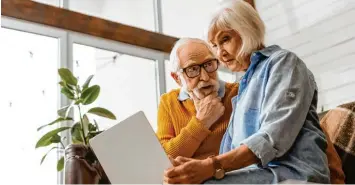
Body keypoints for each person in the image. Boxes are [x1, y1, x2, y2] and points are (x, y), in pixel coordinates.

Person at [163, 0, 344, 184]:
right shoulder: (244, 87)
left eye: (225, 39)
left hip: (293, 174)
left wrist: (211, 166)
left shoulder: (284, 63)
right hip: (259, 176)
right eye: (215, 46)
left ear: (247, 30)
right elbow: (228, 155)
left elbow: (273, 137)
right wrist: (192, 168)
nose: (220, 53)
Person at [156, 38, 238, 160]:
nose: (205, 77)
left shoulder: (237, 93)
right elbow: (164, 158)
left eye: (209, 64)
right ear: (177, 78)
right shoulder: (168, 102)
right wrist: (202, 121)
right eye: (193, 69)